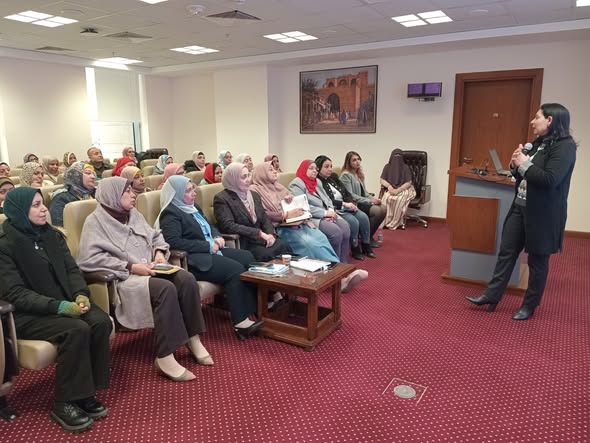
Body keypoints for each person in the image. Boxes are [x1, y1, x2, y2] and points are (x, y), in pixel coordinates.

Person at [77, 177, 212, 381]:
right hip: (125, 278)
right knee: (165, 289)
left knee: (186, 279)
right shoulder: (95, 222)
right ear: (112, 196)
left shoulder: (133, 214)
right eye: (127, 192)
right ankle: (165, 356)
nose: (133, 195)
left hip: (150, 266)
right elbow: (89, 259)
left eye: (132, 191)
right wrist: (130, 267)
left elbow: (156, 235)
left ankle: (193, 338)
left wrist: (159, 253)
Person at [0, 187, 111, 433]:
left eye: (43, 203)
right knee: (76, 329)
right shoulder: (5, 245)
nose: (44, 210)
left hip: (63, 303)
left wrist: (80, 294)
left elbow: (72, 270)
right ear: (19, 210)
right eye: (36, 205)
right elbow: (16, 294)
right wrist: (59, 306)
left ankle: (86, 392)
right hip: (26, 314)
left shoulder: (51, 234)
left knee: (100, 321)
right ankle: (64, 402)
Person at [466, 103, 577, 320]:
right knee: (507, 252)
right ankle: (492, 295)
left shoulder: (565, 147)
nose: (532, 122)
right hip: (519, 206)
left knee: (537, 261)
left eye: (537, 117)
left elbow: (550, 180)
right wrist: (514, 164)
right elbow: (522, 175)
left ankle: (529, 305)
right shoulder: (538, 143)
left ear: (550, 120)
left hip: (544, 215)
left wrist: (524, 164)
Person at [157, 176, 264, 340]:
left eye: (193, 189)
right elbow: (174, 242)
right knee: (235, 270)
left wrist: (217, 236)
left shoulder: (193, 207)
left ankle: (253, 307)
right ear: (176, 194)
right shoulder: (170, 213)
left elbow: (209, 226)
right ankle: (240, 322)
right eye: (188, 191)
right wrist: (206, 246)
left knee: (247, 258)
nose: (194, 193)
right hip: (194, 259)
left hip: (212, 250)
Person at [250, 161, 339, 262]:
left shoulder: (278, 186)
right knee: (309, 243)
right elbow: (262, 213)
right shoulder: (254, 190)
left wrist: (290, 199)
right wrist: (285, 215)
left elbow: (295, 202)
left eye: (274, 169)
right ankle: (325, 268)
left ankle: (336, 266)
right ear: (261, 173)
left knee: (321, 238)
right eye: (270, 170)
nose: (275, 171)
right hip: (281, 227)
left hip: (298, 222)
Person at [214, 163, 291, 261]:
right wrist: (259, 233)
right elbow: (228, 225)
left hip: (263, 239)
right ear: (233, 179)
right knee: (266, 254)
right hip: (245, 241)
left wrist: (271, 234)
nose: (248, 180)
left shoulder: (254, 195)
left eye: (248, 175)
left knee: (283, 245)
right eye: (243, 177)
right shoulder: (222, 198)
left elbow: (264, 218)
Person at [289, 160, 351, 263]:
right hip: (312, 217)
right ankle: (334, 264)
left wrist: (330, 209)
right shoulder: (296, 184)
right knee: (335, 232)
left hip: (328, 213)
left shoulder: (317, 182)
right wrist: (325, 213)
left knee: (345, 228)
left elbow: (327, 198)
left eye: (316, 169)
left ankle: (344, 264)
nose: (315, 171)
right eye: (311, 168)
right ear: (303, 169)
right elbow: (302, 206)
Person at [315, 155, 375, 260]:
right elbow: (327, 201)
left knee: (363, 217)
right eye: (326, 167)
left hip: (347, 205)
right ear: (319, 168)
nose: (330, 169)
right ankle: (355, 248)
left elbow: (346, 192)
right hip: (336, 208)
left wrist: (351, 202)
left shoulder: (333, 176)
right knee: (353, 221)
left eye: (331, 166)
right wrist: (344, 204)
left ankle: (366, 245)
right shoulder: (317, 182)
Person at [340, 151, 386, 246]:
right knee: (377, 211)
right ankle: (367, 237)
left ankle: (368, 235)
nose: (357, 162)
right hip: (354, 204)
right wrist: (369, 201)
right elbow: (350, 195)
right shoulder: (346, 175)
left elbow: (365, 193)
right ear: (348, 162)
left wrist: (374, 199)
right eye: (354, 160)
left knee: (383, 208)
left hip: (362, 202)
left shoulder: (358, 174)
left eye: (358, 159)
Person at [49, 162, 96, 227]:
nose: (93, 177)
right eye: (88, 173)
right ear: (76, 176)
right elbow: (58, 227)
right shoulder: (61, 199)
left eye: (93, 173)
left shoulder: (97, 193)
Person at [380, 149, 417, 230]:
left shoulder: (405, 167)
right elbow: (382, 180)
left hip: (405, 188)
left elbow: (408, 182)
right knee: (386, 198)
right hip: (391, 188)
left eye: (399, 156)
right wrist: (389, 187)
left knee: (399, 199)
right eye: (395, 156)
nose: (397, 158)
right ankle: (385, 222)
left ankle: (395, 223)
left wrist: (399, 190)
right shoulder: (387, 167)